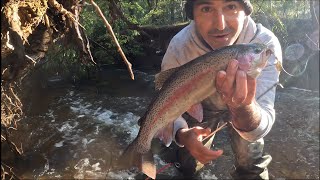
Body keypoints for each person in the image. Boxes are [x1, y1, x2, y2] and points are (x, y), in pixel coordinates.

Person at [158, 0, 282, 179]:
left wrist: (243, 108)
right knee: (189, 165)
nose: (220, 24)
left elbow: (261, 125)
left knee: (252, 166)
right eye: (207, 9)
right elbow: (166, 101)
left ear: (245, 11)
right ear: (193, 14)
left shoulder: (264, 45)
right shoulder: (180, 46)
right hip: (203, 104)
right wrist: (181, 133)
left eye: (231, 6)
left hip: (249, 107)